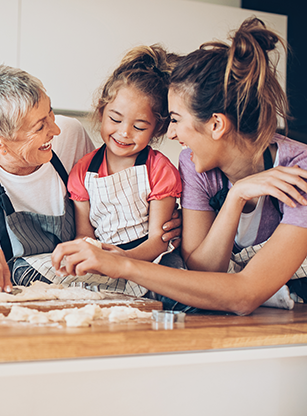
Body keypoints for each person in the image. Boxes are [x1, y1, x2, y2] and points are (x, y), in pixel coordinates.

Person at [51, 17, 307, 315]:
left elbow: (244, 295)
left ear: (215, 124)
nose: (170, 134)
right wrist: (236, 198)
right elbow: (204, 270)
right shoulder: (195, 164)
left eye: (175, 119)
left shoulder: (299, 170)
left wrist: (122, 264)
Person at [0, 65, 181, 293]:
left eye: (50, 113)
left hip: (82, 294)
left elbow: (110, 205)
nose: (55, 129)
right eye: (40, 127)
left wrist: (162, 226)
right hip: (13, 305)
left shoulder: (70, 135)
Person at [53, 45, 181, 297]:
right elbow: (84, 235)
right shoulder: (82, 171)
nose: (124, 132)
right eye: (115, 119)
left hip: (149, 261)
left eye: (140, 126)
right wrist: (92, 257)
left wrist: (123, 260)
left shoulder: (159, 169)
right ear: (101, 111)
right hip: (102, 258)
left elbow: (159, 239)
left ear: (157, 129)